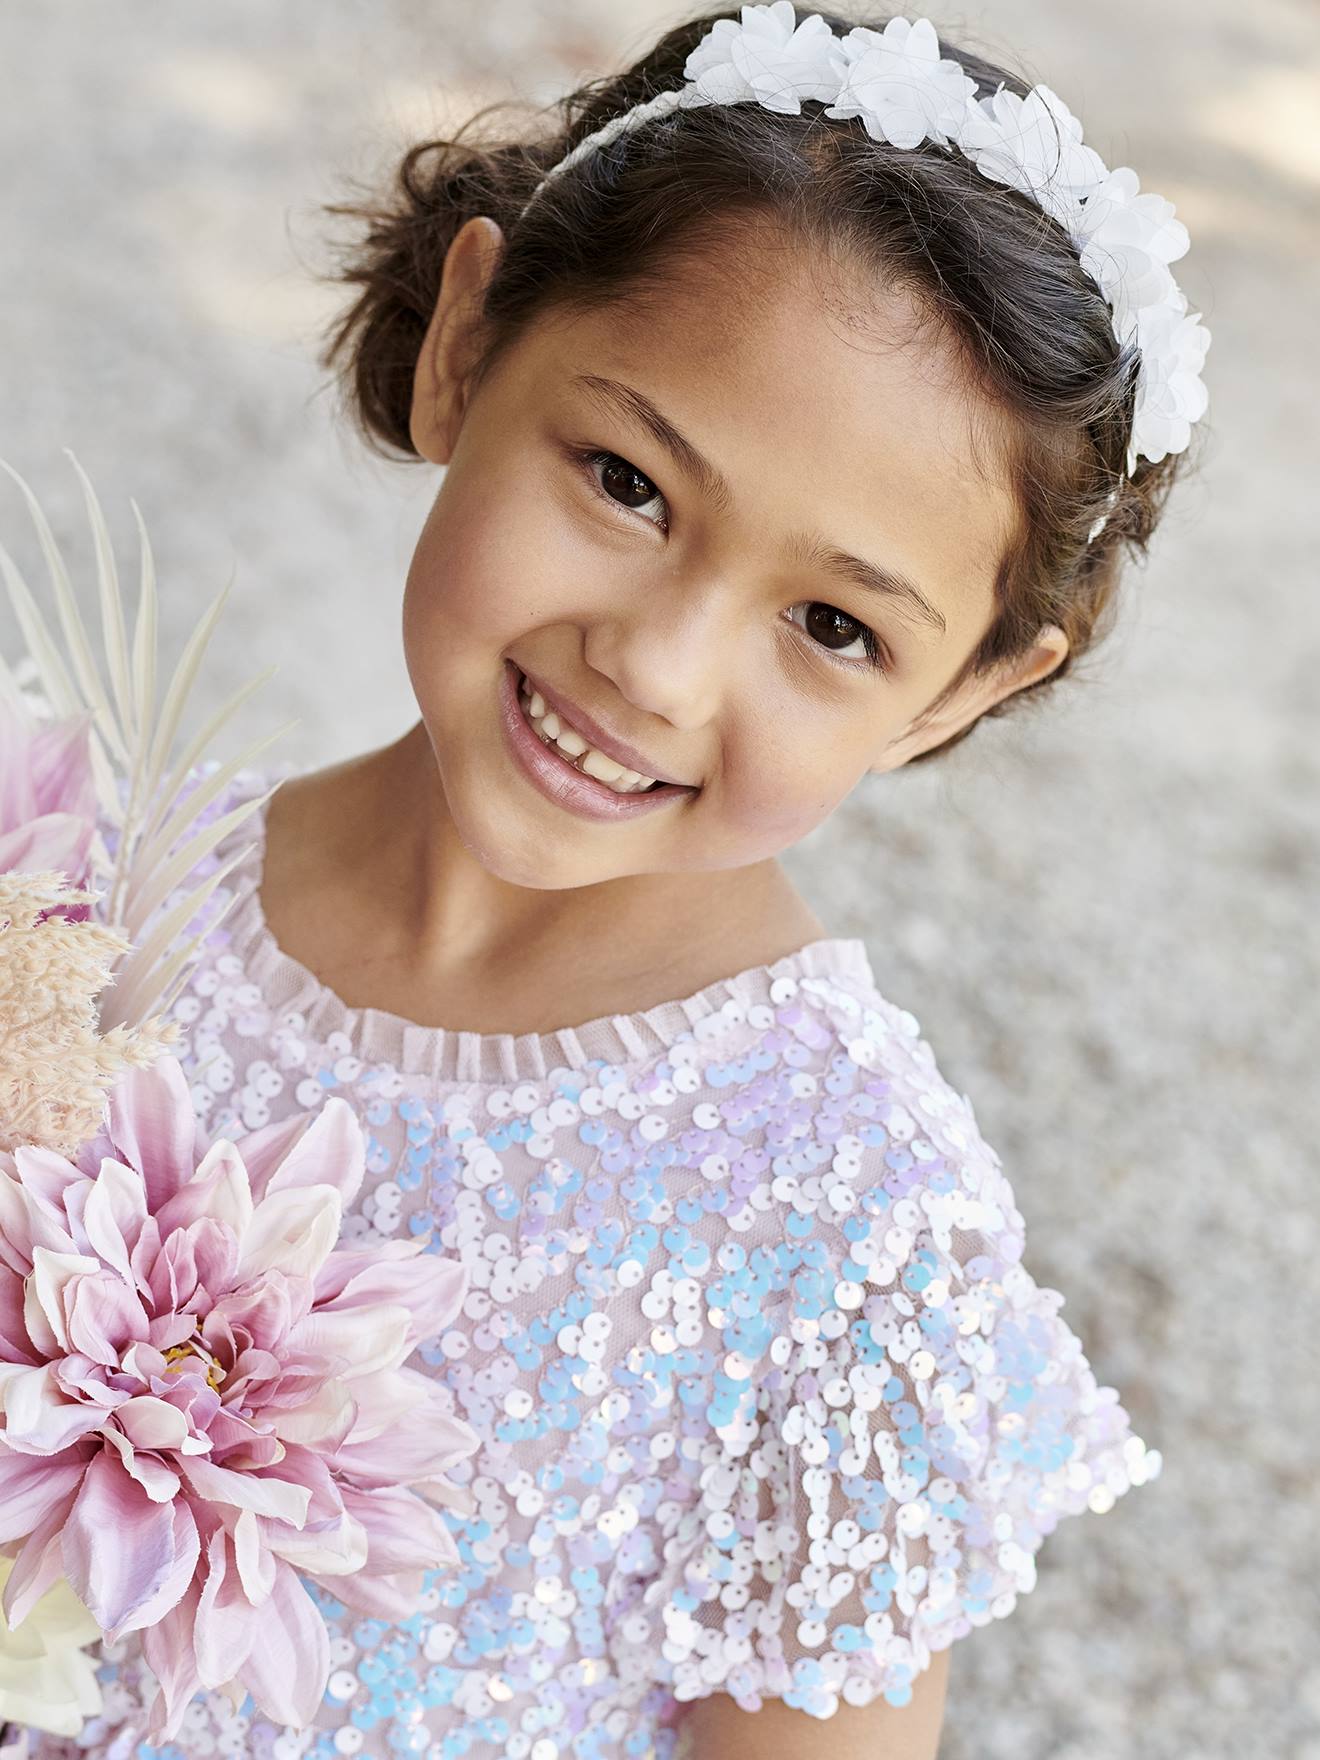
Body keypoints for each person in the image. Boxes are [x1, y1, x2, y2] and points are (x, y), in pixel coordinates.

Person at [15, 6, 1205, 1758]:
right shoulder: (72, 897)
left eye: (831, 627)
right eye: (629, 483)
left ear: (960, 691)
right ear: (469, 346)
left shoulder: (845, 1228)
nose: (658, 666)